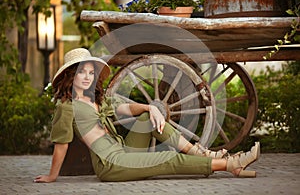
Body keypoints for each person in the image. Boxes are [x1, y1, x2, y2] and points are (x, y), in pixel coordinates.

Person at [34, 48, 260, 183]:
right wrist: (52, 177)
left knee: (146, 120)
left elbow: (125, 109)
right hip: (111, 166)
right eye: (81, 72)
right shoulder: (66, 106)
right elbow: (61, 145)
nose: (87, 77)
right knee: (167, 158)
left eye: (91, 72)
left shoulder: (96, 100)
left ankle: (202, 153)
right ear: (70, 76)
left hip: (122, 151)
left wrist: (150, 108)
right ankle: (229, 164)